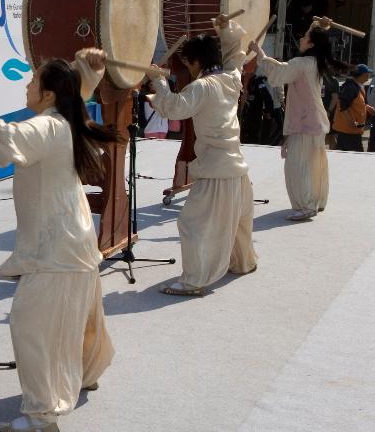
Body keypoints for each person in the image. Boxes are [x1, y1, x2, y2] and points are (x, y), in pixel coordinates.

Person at [0, 49, 117, 432]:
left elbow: (8, 137)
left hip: (57, 246)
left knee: (31, 325)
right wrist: (89, 70)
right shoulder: (66, 118)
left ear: (50, 94)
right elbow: (78, 93)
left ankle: (42, 414)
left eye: (33, 81)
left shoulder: (50, 126)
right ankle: (86, 373)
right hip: (75, 238)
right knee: (78, 316)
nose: (26, 85)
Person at [147, 19, 258, 295]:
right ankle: (243, 262)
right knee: (238, 220)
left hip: (216, 169)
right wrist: (226, 31)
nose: (189, 69)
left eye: (189, 63)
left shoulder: (202, 86)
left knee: (192, 223)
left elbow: (173, 108)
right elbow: (236, 57)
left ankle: (194, 280)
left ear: (196, 62)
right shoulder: (231, 79)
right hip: (237, 168)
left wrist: (158, 81)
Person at [251, 23, 347, 221]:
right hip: (314, 121)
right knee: (313, 163)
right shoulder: (314, 62)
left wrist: (259, 52)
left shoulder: (302, 64)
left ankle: (306, 205)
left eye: (305, 37)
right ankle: (315, 201)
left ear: (311, 43)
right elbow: (285, 69)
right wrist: (319, 26)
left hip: (306, 123)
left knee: (298, 165)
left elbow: (279, 74)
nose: (301, 39)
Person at [329, 64, 375, 151]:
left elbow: (355, 104)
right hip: (349, 132)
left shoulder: (357, 86)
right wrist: (352, 122)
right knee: (355, 159)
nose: (368, 76)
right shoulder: (351, 87)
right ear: (361, 75)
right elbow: (343, 107)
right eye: (367, 74)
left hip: (350, 131)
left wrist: (367, 107)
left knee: (345, 158)